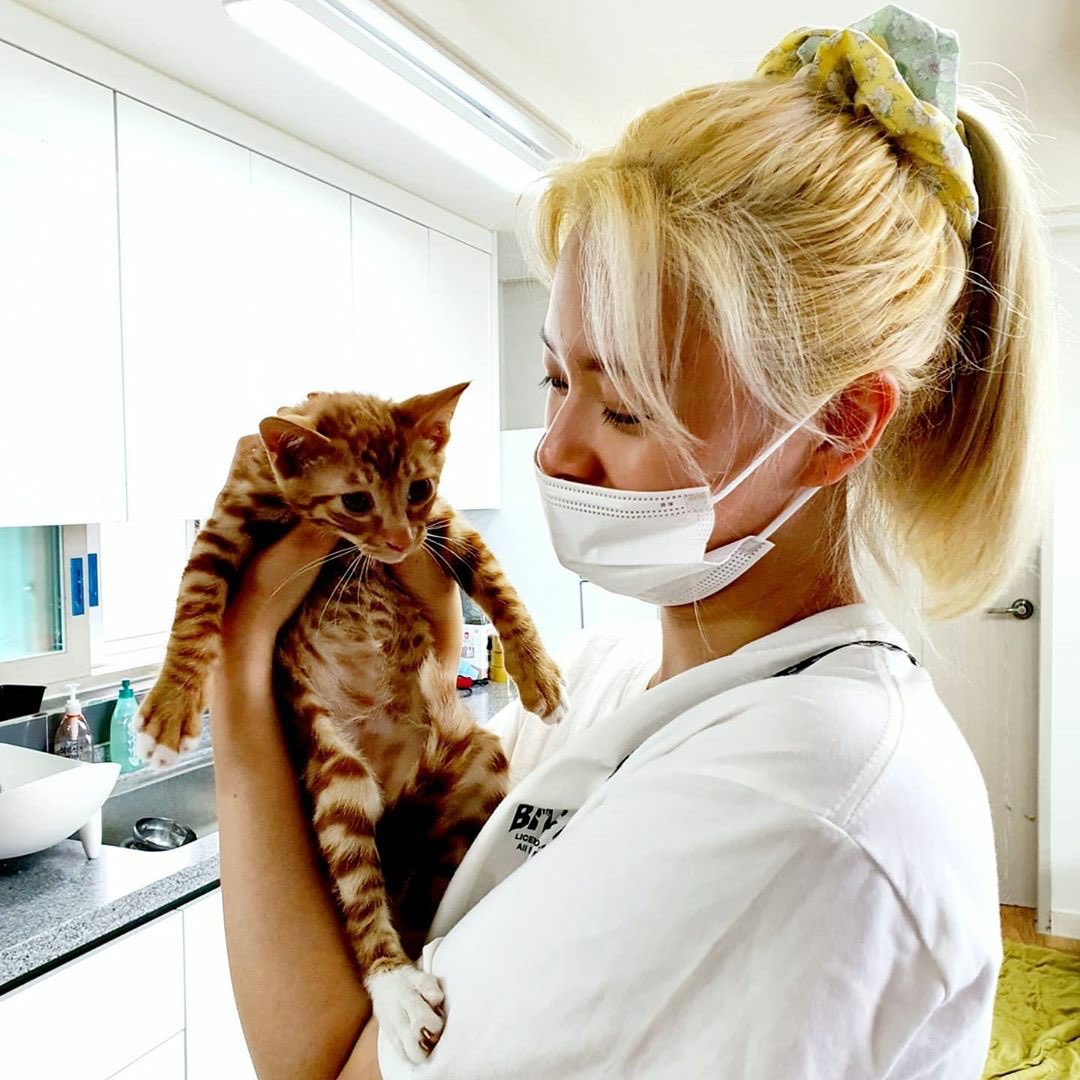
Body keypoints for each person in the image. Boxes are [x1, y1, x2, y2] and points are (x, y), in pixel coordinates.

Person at [209, 6, 1054, 1078]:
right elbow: (400, 854)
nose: (553, 453)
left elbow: (330, 1068)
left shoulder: (798, 798)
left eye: (627, 409)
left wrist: (240, 697)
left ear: (838, 426)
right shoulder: (622, 681)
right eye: (558, 377)